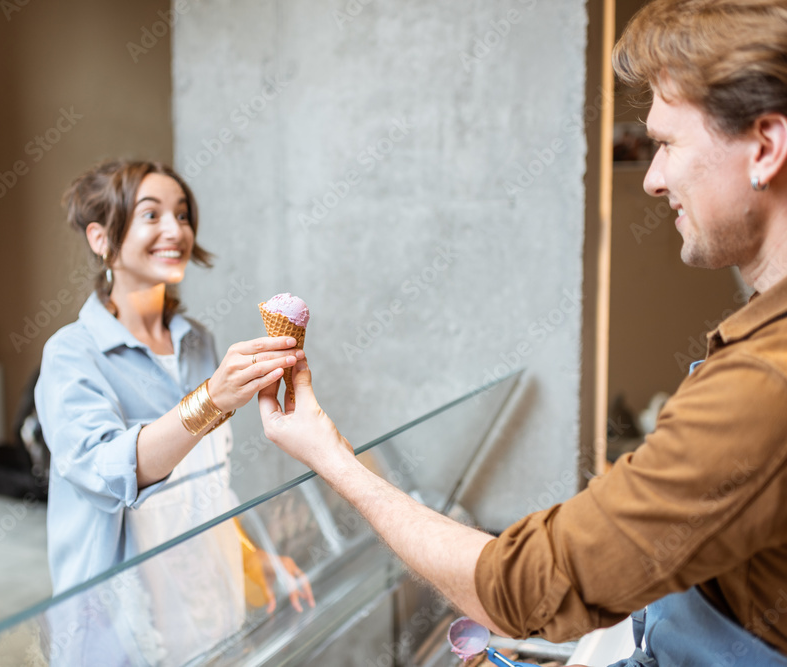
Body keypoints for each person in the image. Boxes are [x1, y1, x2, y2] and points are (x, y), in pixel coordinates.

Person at [259, 1, 787, 664]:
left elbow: (522, 590)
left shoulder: (763, 385)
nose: (653, 178)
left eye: (668, 143)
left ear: (765, 147)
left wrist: (329, 453)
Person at [35, 159, 312, 664]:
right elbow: (108, 471)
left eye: (182, 215)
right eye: (151, 214)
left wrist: (251, 562)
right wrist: (210, 400)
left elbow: (204, 486)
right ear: (101, 239)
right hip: (121, 629)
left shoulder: (197, 342)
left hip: (204, 612)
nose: (175, 230)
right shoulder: (71, 354)